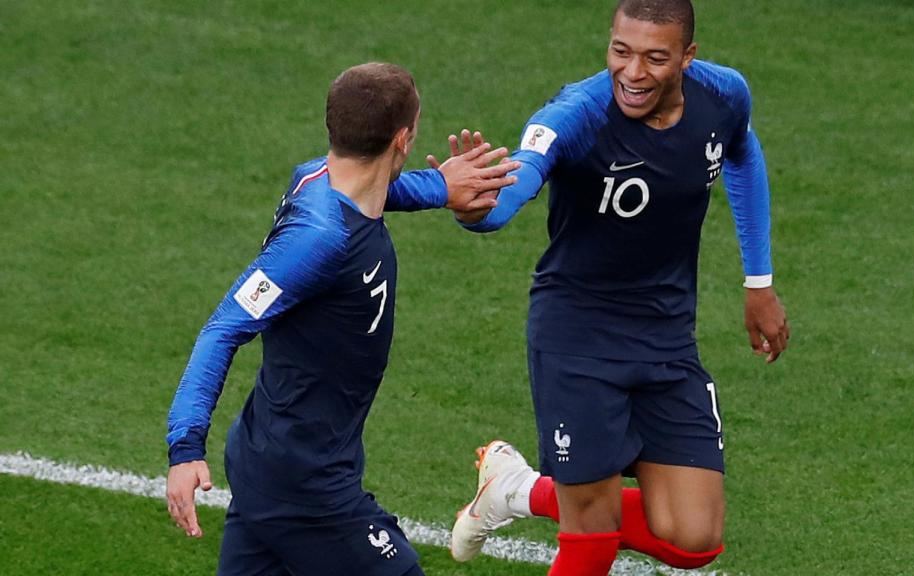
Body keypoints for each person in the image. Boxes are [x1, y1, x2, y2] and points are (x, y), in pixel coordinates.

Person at [447, 1, 790, 574]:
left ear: (687, 57)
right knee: (593, 538)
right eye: (620, 52)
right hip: (577, 339)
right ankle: (547, 496)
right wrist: (477, 209)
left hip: (667, 340)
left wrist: (760, 282)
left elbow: (743, 153)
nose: (633, 73)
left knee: (694, 540)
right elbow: (520, 182)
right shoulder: (578, 112)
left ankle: (515, 488)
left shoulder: (724, 95)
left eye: (655, 58)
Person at [164, 62, 519, 576]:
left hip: (279, 455)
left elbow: (375, 193)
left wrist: (440, 189)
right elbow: (222, 329)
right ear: (404, 137)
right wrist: (185, 446)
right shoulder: (318, 240)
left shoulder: (320, 178)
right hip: (304, 484)